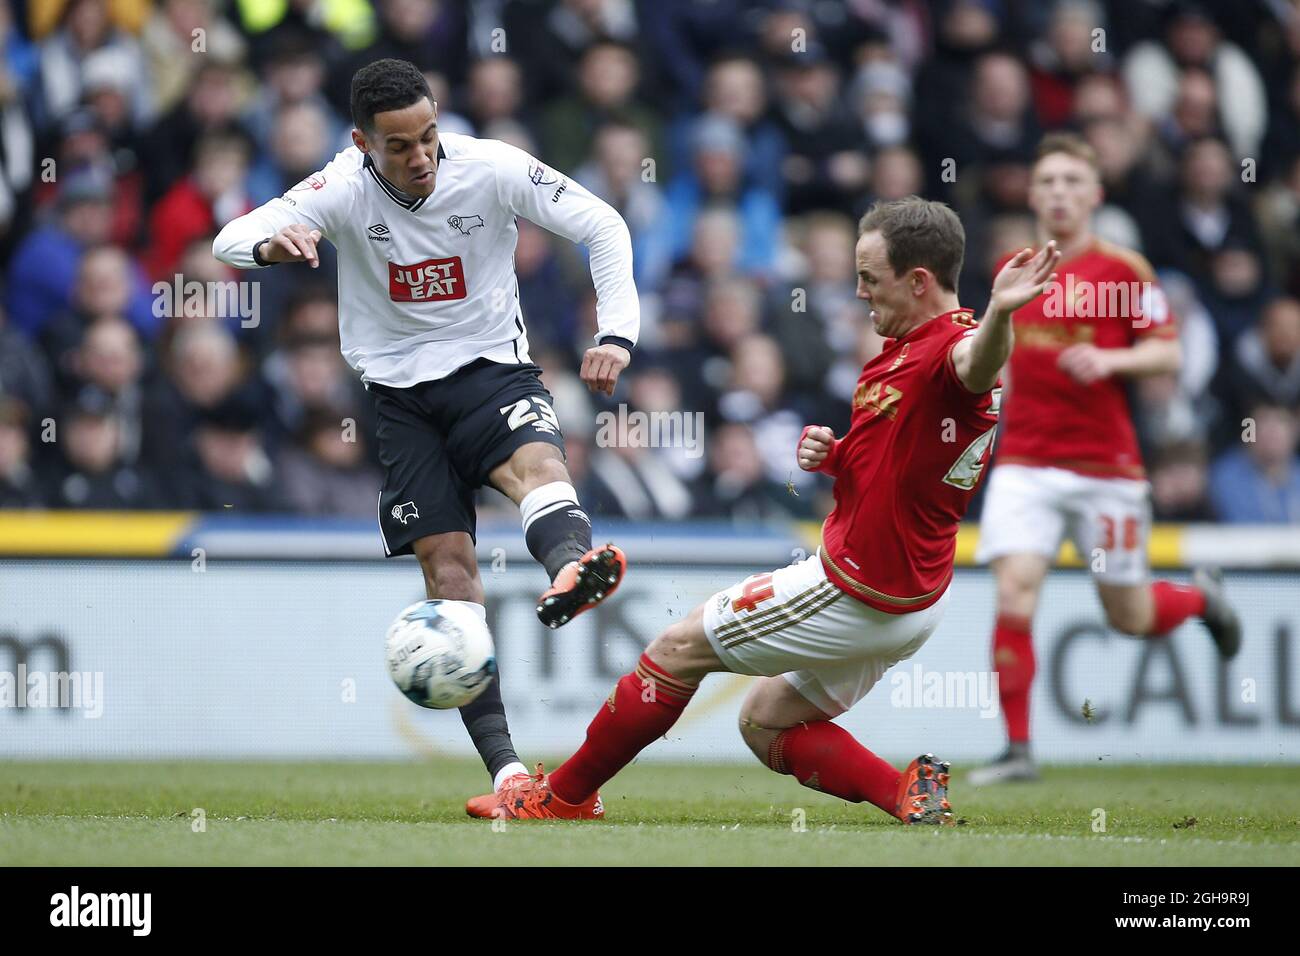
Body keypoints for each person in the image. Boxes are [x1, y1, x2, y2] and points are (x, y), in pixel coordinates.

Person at [475, 196, 1059, 823]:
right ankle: (906, 793)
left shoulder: (956, 349)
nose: (859, 292)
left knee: (676, 650)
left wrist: (1002, 311)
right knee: (765, 721)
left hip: (859, 587)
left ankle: (561, 797)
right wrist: (839, 457)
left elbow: (979, 365)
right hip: (914, 593)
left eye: (870, 278)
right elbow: (916, 462)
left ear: (918, 281)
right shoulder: (910, 346)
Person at [212, 58, 640, 806]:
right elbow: (231, 235)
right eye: (400, 146)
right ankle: (510, 777)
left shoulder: (490, 166)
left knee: (537, 465)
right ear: (361, 143)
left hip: (491, 372)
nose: (422, 159)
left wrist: (618, 334)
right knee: (449, 578)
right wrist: (269, 248)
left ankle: (572, 567)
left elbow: (601, 224)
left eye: (430, 137)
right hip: (399, 400)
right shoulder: (340, 187)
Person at [970, 134, 1241, 786]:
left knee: (1129, 616)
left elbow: (1168, 353)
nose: (1059, 193)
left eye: (1071, 181)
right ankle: (1017, 749)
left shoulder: (1125, 272)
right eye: (1048, 182)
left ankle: (1199, 600)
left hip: (1106, 467)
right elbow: (992, 349)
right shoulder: (1014, 267)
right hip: (1026, 461)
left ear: (1094, 194)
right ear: (1032, 195)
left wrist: (1113, 359)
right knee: (1014, 589)